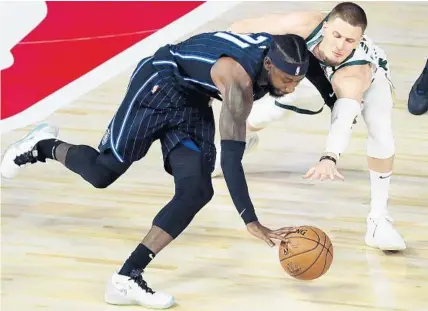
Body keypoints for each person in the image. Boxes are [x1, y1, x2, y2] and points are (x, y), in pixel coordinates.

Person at [1, 31, 311, 308]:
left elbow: (315, 62)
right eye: (287, 79)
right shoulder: (238, 85)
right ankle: (41, 146)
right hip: (157, 85)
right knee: (102, 173)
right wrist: (251, 221)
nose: (292, 86)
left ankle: (126, 277)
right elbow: (231, 160)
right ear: (268, 65)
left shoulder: (288, 52)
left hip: (192, 100)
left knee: (197, 190)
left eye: (298, 80)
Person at [219, 1, 406, 251]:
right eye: (337, 35)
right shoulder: (306, 24)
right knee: (277, 106)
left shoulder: (355, 73)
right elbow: (242, 27)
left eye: (350, 40)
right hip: (315, 71)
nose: (341, 45)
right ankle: (245, 138)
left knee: (380, 131)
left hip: (367, 82)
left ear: (360, 39)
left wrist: (330, 157)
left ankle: (378, 220)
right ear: (326, 26)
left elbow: (344, 116)